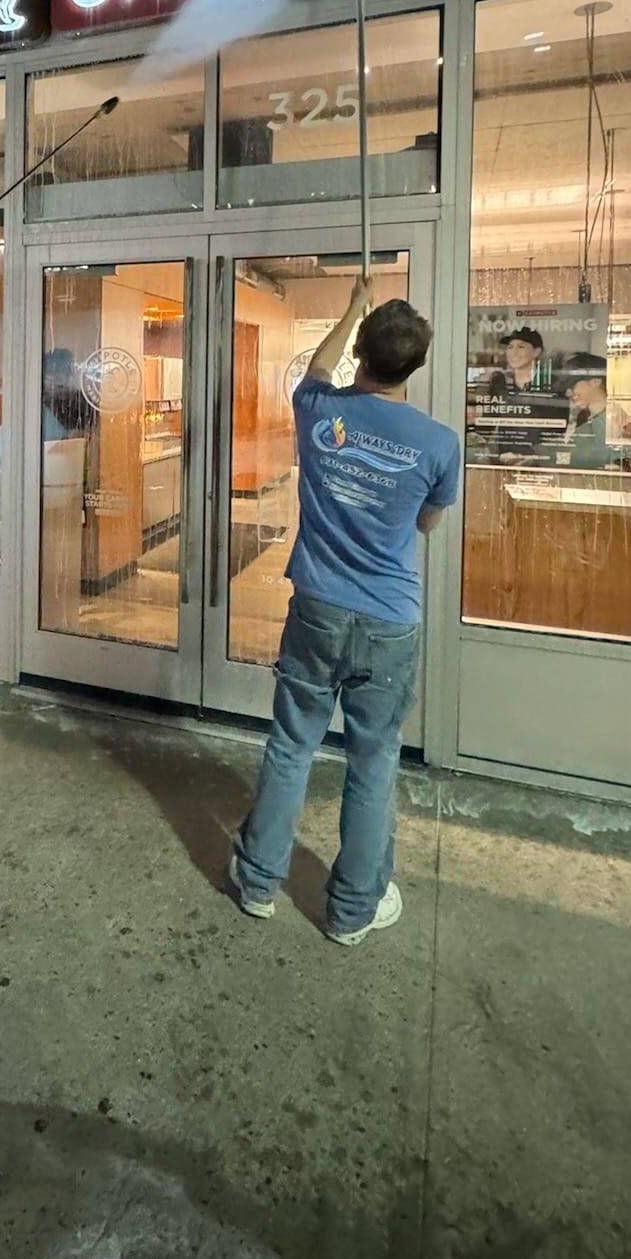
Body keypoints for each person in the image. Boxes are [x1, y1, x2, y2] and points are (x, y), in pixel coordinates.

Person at [231, 278, 460, 945]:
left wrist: (352, 305)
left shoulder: (317, 407)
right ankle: (353, 911)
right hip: (388, 619)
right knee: (372, 763)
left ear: (361, 351)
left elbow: (315, 367)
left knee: (292, 745)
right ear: (415, 367)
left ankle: (256, 884)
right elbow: (426, 524)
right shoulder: (439, 444)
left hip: (318, 608)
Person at [562, 354, 611, 468]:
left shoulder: (613, 422)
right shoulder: (583, 421)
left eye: (572, 384)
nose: (568, 393)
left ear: (595, 381)